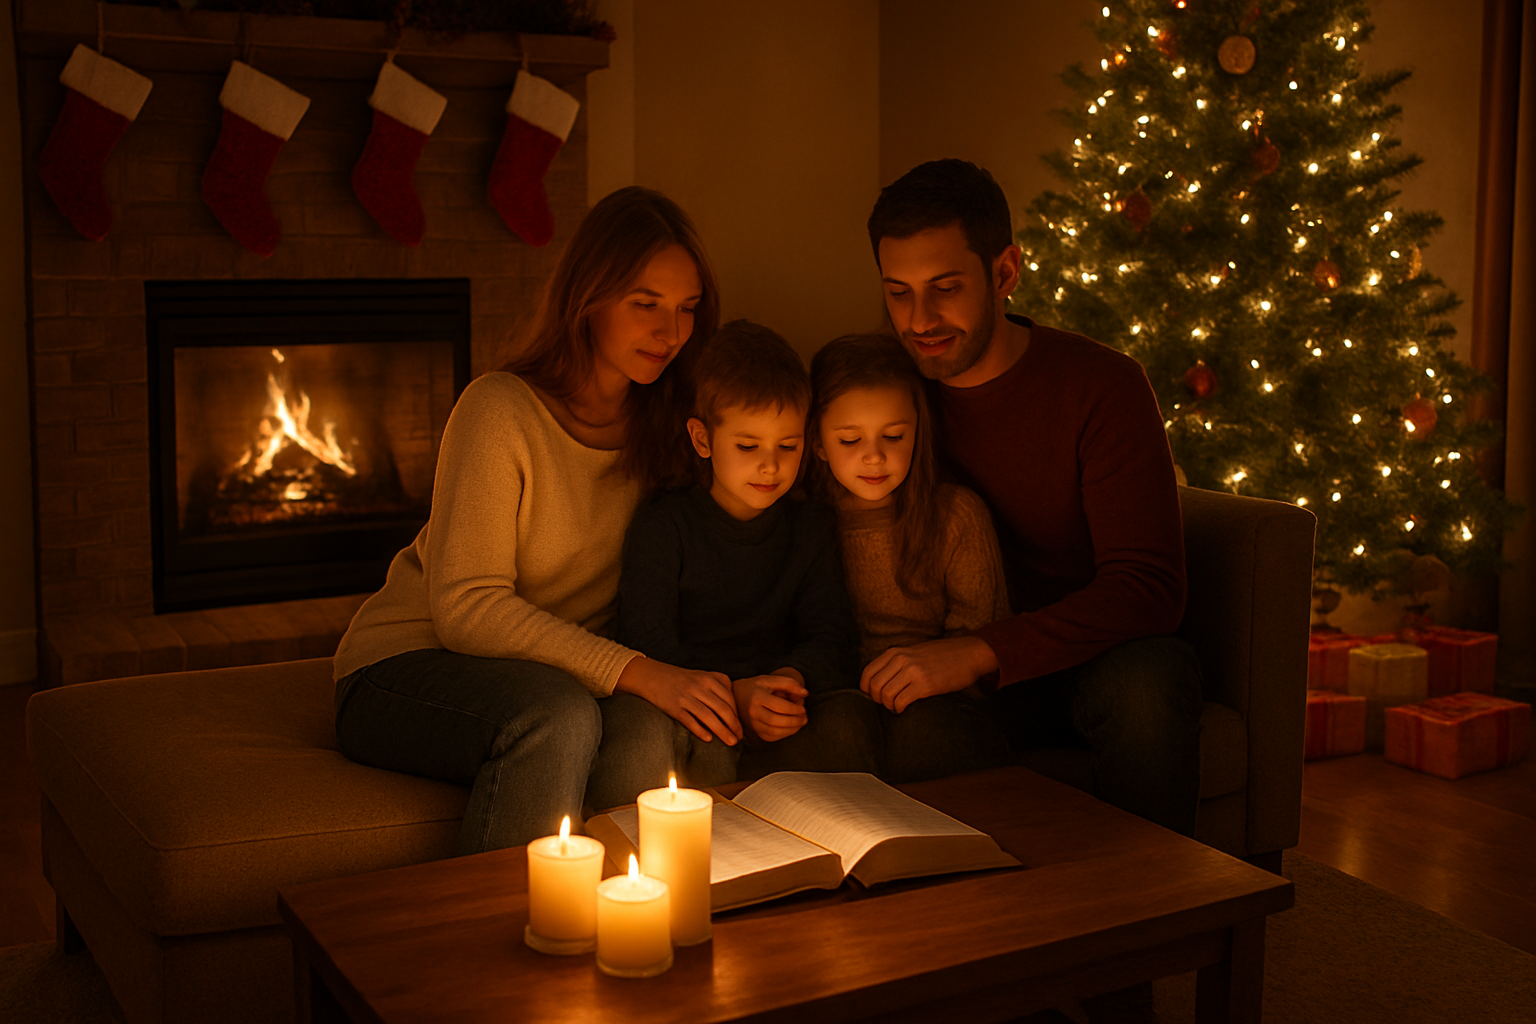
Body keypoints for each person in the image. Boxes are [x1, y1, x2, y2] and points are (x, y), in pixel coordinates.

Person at [330, 186, 745, 856]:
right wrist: (639, 670)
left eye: (687, 309)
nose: (671, 333)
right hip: (406, 664)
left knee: (647, 727)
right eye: (646, 305)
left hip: (560, 671)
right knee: (556, 716)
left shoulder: (669, 427)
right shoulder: (499, 410)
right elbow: (467, 607)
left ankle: (628, 921)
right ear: (590, 297)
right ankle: (496, 947)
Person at [864, 158, 1204, 837]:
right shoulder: (886, 394)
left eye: (945, 288)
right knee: (908, 722)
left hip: (1089, 660)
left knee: (1152, 678)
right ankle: (1008, 915)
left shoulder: (1101, 387)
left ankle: (1158, 910)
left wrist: (984, 650)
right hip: (954, 670)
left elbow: (1149, 587)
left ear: (1005, 272)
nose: (920, 319)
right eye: (898, 292)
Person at [610, 320, 857, 790]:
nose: (770, 465)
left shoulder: (809, 527)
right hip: (693, 697)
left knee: (847, 719)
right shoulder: (665, 526)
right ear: (703, 440)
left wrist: (786, 680)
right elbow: (648, 643)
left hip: (781, 697)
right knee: (708, 742)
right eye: (748, 446)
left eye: (788, 446)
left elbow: (831, 636)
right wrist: (735, 694)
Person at [778, 332, 1013, 781]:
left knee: (926, 732)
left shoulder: (955, 516)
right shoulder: (803, 518)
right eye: (850, 440)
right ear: (819, 443)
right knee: (841, 727)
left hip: (938, 700)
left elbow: (984, 647)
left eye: (893, 435)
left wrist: (930, 675)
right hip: (835, 694)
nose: (874, 456)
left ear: (917, 431)